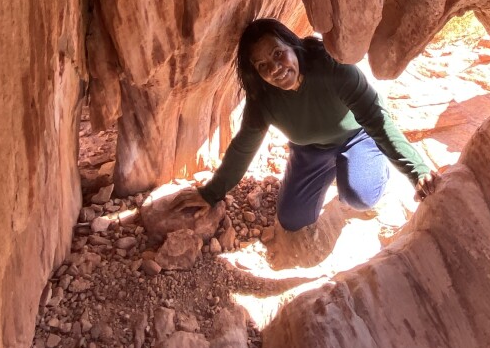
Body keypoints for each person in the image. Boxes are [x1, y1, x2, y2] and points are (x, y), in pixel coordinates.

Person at [178, 18, 438, 232]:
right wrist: (211, 193)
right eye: (263, 66)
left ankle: (367, 166)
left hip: (357, 136)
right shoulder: (263, 100)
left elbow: (377, 121)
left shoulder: (334, 70)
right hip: (310, 151)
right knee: (292, 220)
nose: (276, 68)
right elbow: (243, 148)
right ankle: (332, 170)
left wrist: (417, 170)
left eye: (278, 54)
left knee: (359, 196)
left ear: (293, 45)